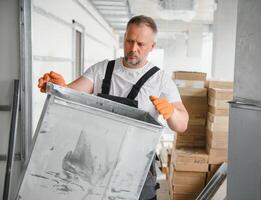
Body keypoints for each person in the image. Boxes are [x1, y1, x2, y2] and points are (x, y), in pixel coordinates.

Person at [38, 15, 188, 200]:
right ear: (124, 38)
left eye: (140, 44)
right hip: (94, 169)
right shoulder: (101, 70)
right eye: (129, 41)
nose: (133, 48)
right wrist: (58, 88)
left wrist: (172, 112)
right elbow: (71, 93)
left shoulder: (160, 80)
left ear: (152, 46)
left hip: (136, 172)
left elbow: (182, 124)